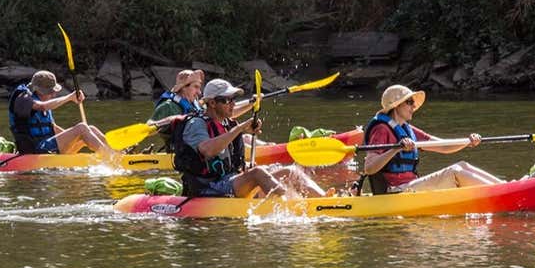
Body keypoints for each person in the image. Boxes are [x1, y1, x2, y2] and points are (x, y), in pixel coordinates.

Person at [173, 78, 330, 198]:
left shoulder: (225, 122)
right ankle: (291, 208)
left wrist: (245, 165)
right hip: (208, 187)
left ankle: (324, 200)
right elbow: (207, 150)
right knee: (258, 173)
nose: (233, 104)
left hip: (229, 179)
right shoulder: (196, 124)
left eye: (233, 99)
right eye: (227, 100)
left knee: (289, 171)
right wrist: (240, 128)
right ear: (212, 103)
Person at [362, 84, 503, 194]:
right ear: (397, 105)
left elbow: (443, 146)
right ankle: (502, 193)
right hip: (396, 191)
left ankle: (504, 186)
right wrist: (395, 148)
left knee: (463, 165)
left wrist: (468, 142)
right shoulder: (381, 129)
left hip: (410, 185)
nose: (414, 106)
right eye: (410, 102)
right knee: (454, 172)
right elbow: (369, 168)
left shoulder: (406, 130)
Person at [8, 71, 118, 160]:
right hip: (35, 150)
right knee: (81, 127)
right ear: (40, 91)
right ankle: (111, 160)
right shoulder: (23, 99)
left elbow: (54, 128)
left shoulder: (41, 99)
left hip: (49, 146)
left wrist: (73, 137)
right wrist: (69, 97)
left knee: (90, 129)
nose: (54, 94)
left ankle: (116, 154)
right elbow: (42, 107)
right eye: (51, 92)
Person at [149, 69, 205, 151]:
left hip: (198, 151)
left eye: (199, 88)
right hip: (177, 156)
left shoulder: (194, 105)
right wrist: (168, 120)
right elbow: (149, 127)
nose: (199, 92)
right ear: (183, 88)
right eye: (196, 87)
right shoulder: (168, 107)